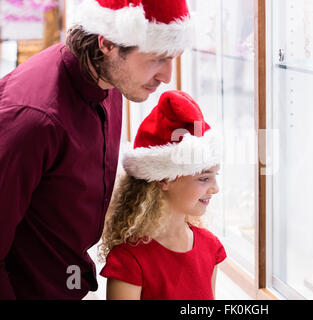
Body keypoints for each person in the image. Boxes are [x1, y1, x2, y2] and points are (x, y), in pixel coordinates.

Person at [0, 0, 193, 299]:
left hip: (69, 280)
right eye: (157, 58)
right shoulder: (33, 118)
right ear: (108, 44)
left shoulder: (110, 81)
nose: (167, 76)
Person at [99, 90, 226, 300]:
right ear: (165, 179)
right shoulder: (129, 260)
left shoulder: (210, 247)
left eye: (215, 176)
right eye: (204, 178)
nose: (215, 188)